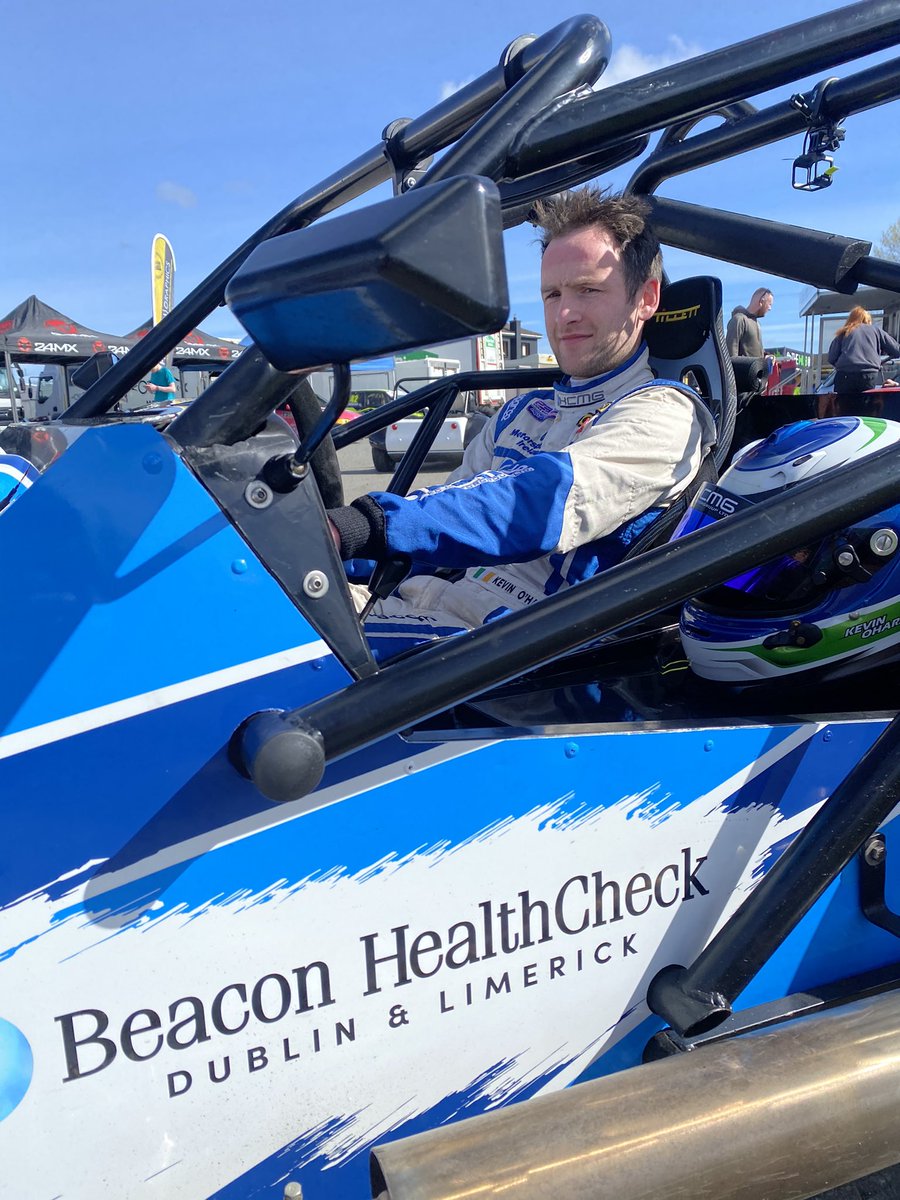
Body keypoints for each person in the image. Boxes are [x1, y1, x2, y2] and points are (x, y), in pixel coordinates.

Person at [326, 186, 717, 661]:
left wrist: (363, 524)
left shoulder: (663, 413)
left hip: (507, 650)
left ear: (646, 298)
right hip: (429, 605)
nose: (565, 313)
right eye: (552, 294)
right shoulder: (519, 412)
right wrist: (334, 551)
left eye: (588, 289)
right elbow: (444, 516)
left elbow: (537, 500)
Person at [827, 306, 900, 400]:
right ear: (867, 320)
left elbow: (831, 358)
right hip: (869, 375)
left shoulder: (844, 332)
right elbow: (897, 350)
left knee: (844, 407)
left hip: (845, 375)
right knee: (865, 406)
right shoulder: (876, 331)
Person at [725, 288, 773, 360]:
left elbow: (753, 351)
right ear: (761, 301)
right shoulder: (739, 320)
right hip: (742, 371)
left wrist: (766, 356)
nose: (770, 308)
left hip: (756, 370)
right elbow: (731, 354)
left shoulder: (757, 324)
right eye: (769, 304)